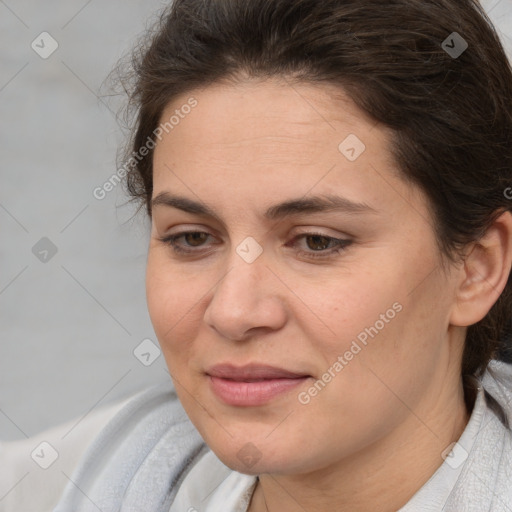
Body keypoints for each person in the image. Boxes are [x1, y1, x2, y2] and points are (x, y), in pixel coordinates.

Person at [3, 0, 512, 510]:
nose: (233, 313)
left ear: (477, 267)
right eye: (192, 238)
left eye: (317, 241)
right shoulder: (84, 481)